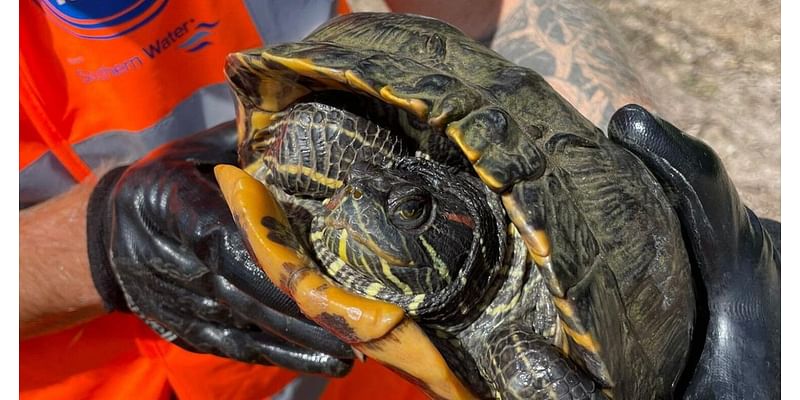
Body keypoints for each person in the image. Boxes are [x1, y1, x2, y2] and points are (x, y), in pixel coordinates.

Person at [20, 0, 779, 399]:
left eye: (413, 212)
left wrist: (632, 184)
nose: (356, 206)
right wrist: (95, 241)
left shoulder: (517, 339)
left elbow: (495, 8)